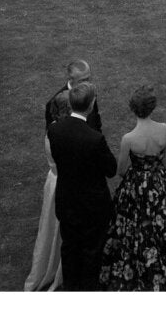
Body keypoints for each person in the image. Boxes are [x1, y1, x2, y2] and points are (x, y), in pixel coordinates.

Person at [99, 86, 166, 291]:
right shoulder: (164, 129)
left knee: (132, 226)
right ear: (152, 107)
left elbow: (120, 170)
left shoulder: (128, 139)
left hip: (136, 187)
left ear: (133, 109)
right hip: (160, 182)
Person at [48, 81, 117, 291]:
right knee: (92, 252)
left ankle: (70, 288)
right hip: (92, 206)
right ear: (90, 105)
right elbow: (111, 169)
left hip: (67, 200)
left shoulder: (55, 131)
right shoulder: (94, 139)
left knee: (69, 247)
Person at [23, 90, 68, 291]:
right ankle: (58, 267)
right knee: (57, 225)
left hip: (54, 180)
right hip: (63, 182)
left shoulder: (52, 130)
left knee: (51, 225)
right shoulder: (61, 134)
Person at [44, 58, 101, 133]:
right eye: (83, 80)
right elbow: (52, 132)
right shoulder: (55, 102)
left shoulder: (90, 91)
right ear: (70, 79)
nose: (87, 84)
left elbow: (95, 118)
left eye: (88, 79)